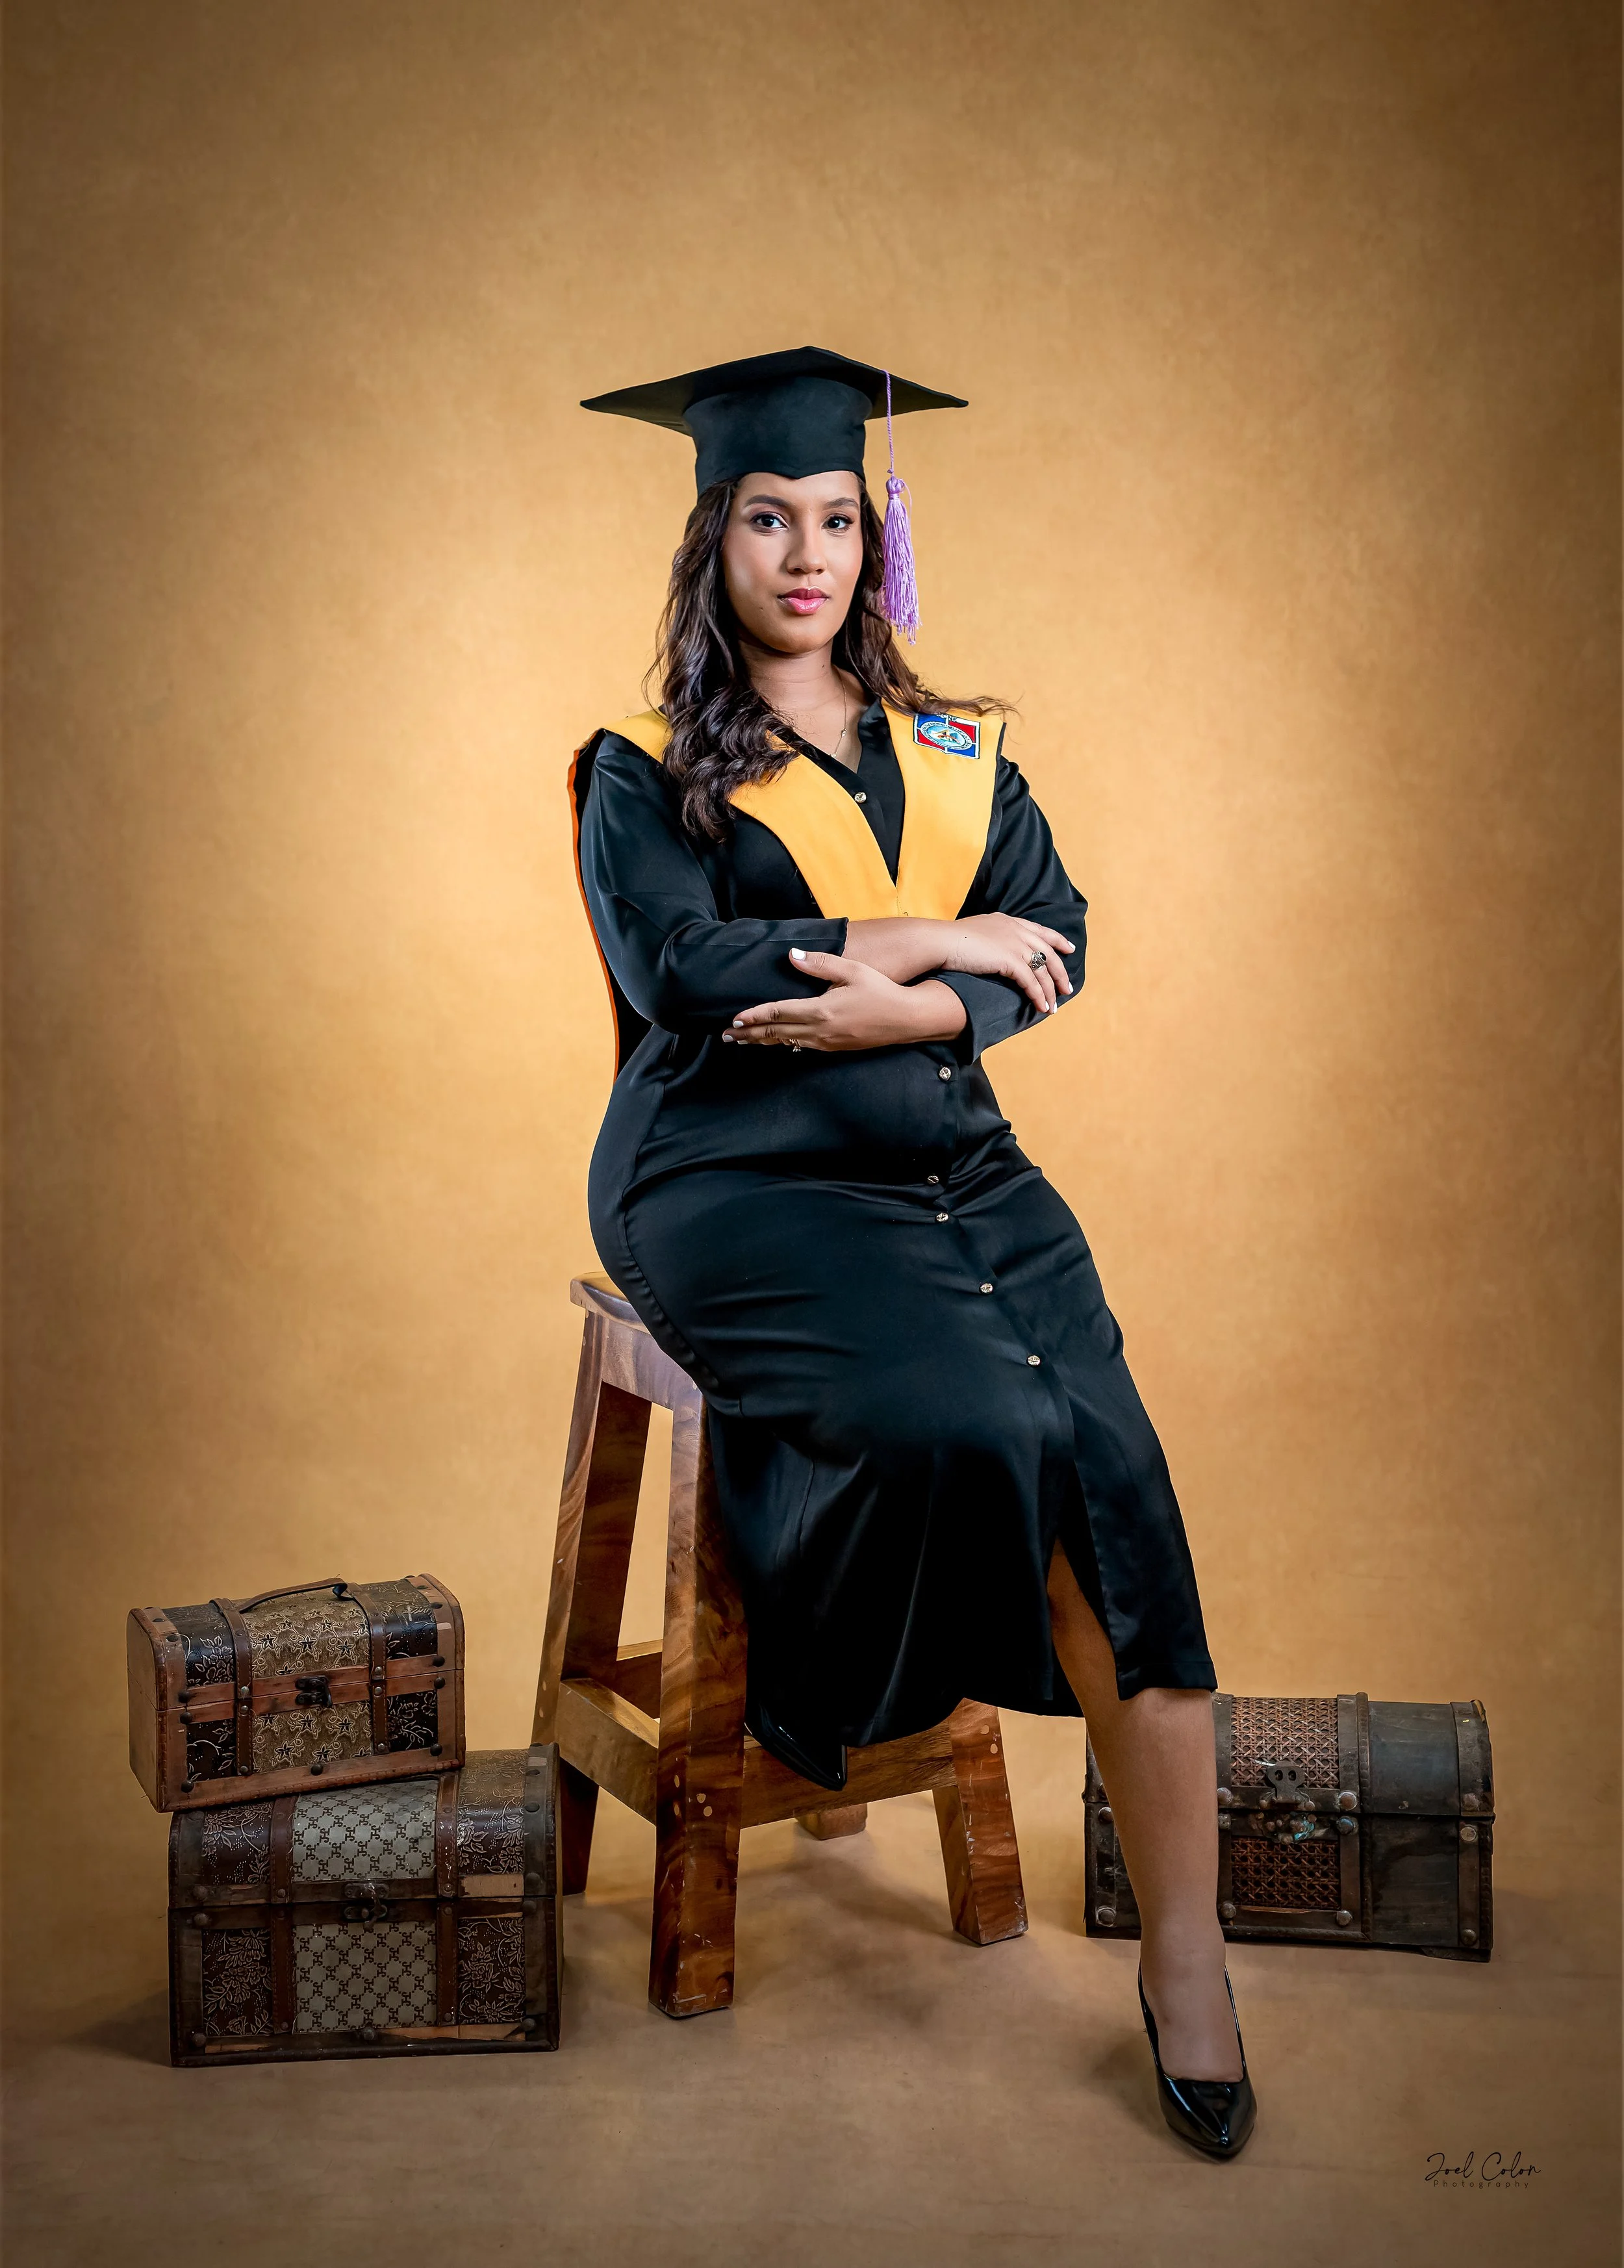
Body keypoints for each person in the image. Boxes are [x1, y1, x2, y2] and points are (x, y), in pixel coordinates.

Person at [569, 346, 1256, 2157]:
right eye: (766, 519)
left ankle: (1189, 1964)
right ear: (712, 540)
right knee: (974, 1422)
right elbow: (683, 972)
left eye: (834, 519)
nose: (806, 555)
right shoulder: (646, 770)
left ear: (874, 541)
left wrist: (914, 1013)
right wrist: (937, 938)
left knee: (1110, 1471)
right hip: (732, 1183)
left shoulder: (960, 752)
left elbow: (1058, 934)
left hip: (958, 1169)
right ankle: (820, 1697)